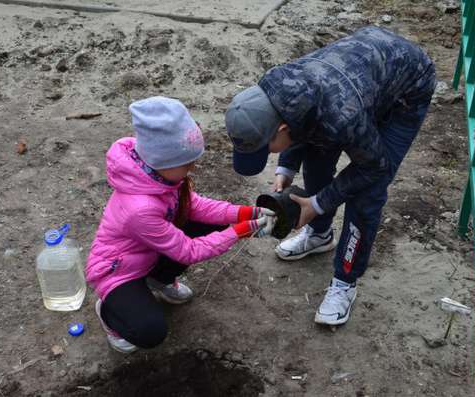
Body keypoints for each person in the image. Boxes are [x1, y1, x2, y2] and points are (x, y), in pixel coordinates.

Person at [225, 26, 436, 326]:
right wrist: (286, 168)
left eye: (266, 148)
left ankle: (345, 281)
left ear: (281, 130)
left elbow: (373, 166)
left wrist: (318, 203)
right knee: (317, 155)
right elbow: (300, 123)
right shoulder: (276, 89)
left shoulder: (341, 118)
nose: (267, 154)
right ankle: (320, 235)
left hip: (407, 85)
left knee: (368, 191)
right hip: (360, 75)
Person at [86, 96, 275, 353]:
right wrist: (240, 231)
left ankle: (158, 280)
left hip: (149, 252)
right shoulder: (139, 209)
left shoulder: (161, 176)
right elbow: (189, 251)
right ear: (163, 160)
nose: (193, 168)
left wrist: (243, 213)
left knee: (208, 224)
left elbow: (195, 206)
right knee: (150, 331)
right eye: (187, 163)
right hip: (118, 270)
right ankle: (110, 312)